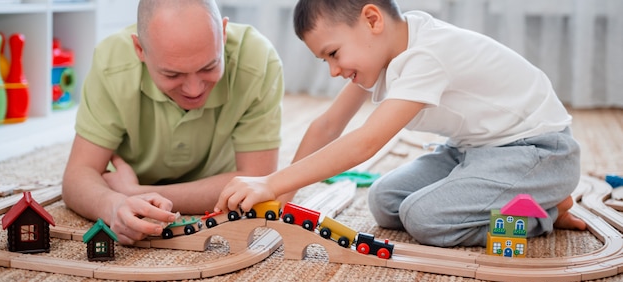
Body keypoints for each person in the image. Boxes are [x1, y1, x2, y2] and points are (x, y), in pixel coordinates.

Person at [215, 0, 587, 248]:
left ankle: (545, 208)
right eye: (323, 60)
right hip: (471, 151)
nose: (333, 70)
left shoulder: (426, 54)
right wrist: (280, 199)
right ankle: (519, 195)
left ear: (372, 20)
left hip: (537, 151)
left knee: (425, 219)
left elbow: (365, 143)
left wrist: (269, 180)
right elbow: (328, 126)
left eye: (333, 53)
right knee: (384, 201)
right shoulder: (383, 51)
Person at [62, 0, 284, 245]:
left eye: (209, 66)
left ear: (222, 33)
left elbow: (259, 180)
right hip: (139, 180)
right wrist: (113, 205)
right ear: (140, 49)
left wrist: (132, 192)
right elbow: (78, 175)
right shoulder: (111, 61)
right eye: (172, 74)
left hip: (133, 182)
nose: (194, 89)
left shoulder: (258, 59)